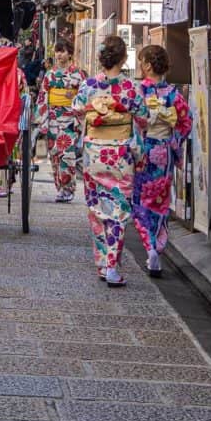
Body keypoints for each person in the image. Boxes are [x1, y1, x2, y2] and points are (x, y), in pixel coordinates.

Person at [72, 35, 148, 288]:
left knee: (97, 210)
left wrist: (96, 114)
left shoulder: (89, 85)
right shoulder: (130, 88)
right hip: (121, 155)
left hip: (95, 154)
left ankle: (102, 262)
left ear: (101, 59)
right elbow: (144, 117)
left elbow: (76, 109)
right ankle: (112, 265)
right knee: (118, 210)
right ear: (124, 58)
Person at [133, 45, 192, 278]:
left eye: (141, 61)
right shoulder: (173, 94)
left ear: (148, 65)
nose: (140, 64)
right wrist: (173, 144)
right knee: (160, 201)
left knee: (140, 202)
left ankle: (150, 247)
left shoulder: (139, 92)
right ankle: (157, 246)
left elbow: (133, 122)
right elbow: (185, 123)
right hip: (164, 151)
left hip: (144, 151)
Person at [35, 40, 86, 202]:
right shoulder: (50, 74)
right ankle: (60, 188)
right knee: (55, 154)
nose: (59, 54)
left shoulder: (78, 74)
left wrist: (75, 100)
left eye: (63, 51)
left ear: (70, 53)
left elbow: (84, 96)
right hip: (52, 118)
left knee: (67, 154)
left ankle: (68, 189)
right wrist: (43, 120)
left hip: (71, 118)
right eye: (57, 51)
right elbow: (43, 97)